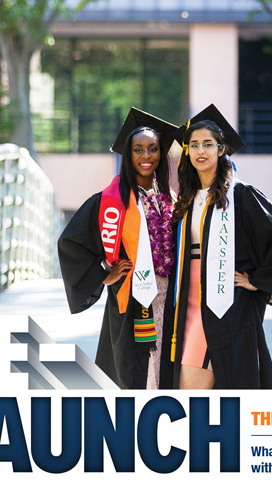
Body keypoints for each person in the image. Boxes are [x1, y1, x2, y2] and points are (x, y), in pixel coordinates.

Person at [160, 104, 272, 389]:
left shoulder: (240, 194)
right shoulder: (186, 198)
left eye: (208, 144)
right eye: (194, 145)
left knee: (192, 383)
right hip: (187, 296)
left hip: (222, 299)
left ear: (221, 149)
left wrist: (256, 281)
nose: (201, 151)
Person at [58, 108, 178, 389]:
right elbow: (71, 243)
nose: (146, 156)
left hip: (171, 300)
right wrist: (104, 274)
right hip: (132, 299)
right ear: (128, 155)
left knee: (165, 368)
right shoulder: (110, 201)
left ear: (161, 154)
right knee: (132, 369)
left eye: (153, 149)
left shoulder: (171, 200)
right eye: (138, 149)